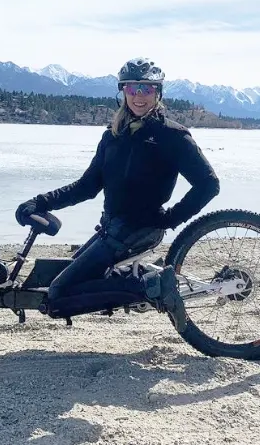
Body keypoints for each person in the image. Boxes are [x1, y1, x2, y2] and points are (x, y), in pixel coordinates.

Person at [15, 57, 220, 332]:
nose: (139, 96)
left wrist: (171, 219)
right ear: (123, 91)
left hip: (140, 229)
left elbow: (208, 183)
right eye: (133, 88)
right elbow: (86, 187)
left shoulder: (172, 136)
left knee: (58, 296)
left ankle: (153, 286)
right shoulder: (113, 136)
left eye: (146, 89)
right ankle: (142, 279)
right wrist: (40, 202)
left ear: (157, 93)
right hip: (112, 228)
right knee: (69, 273)